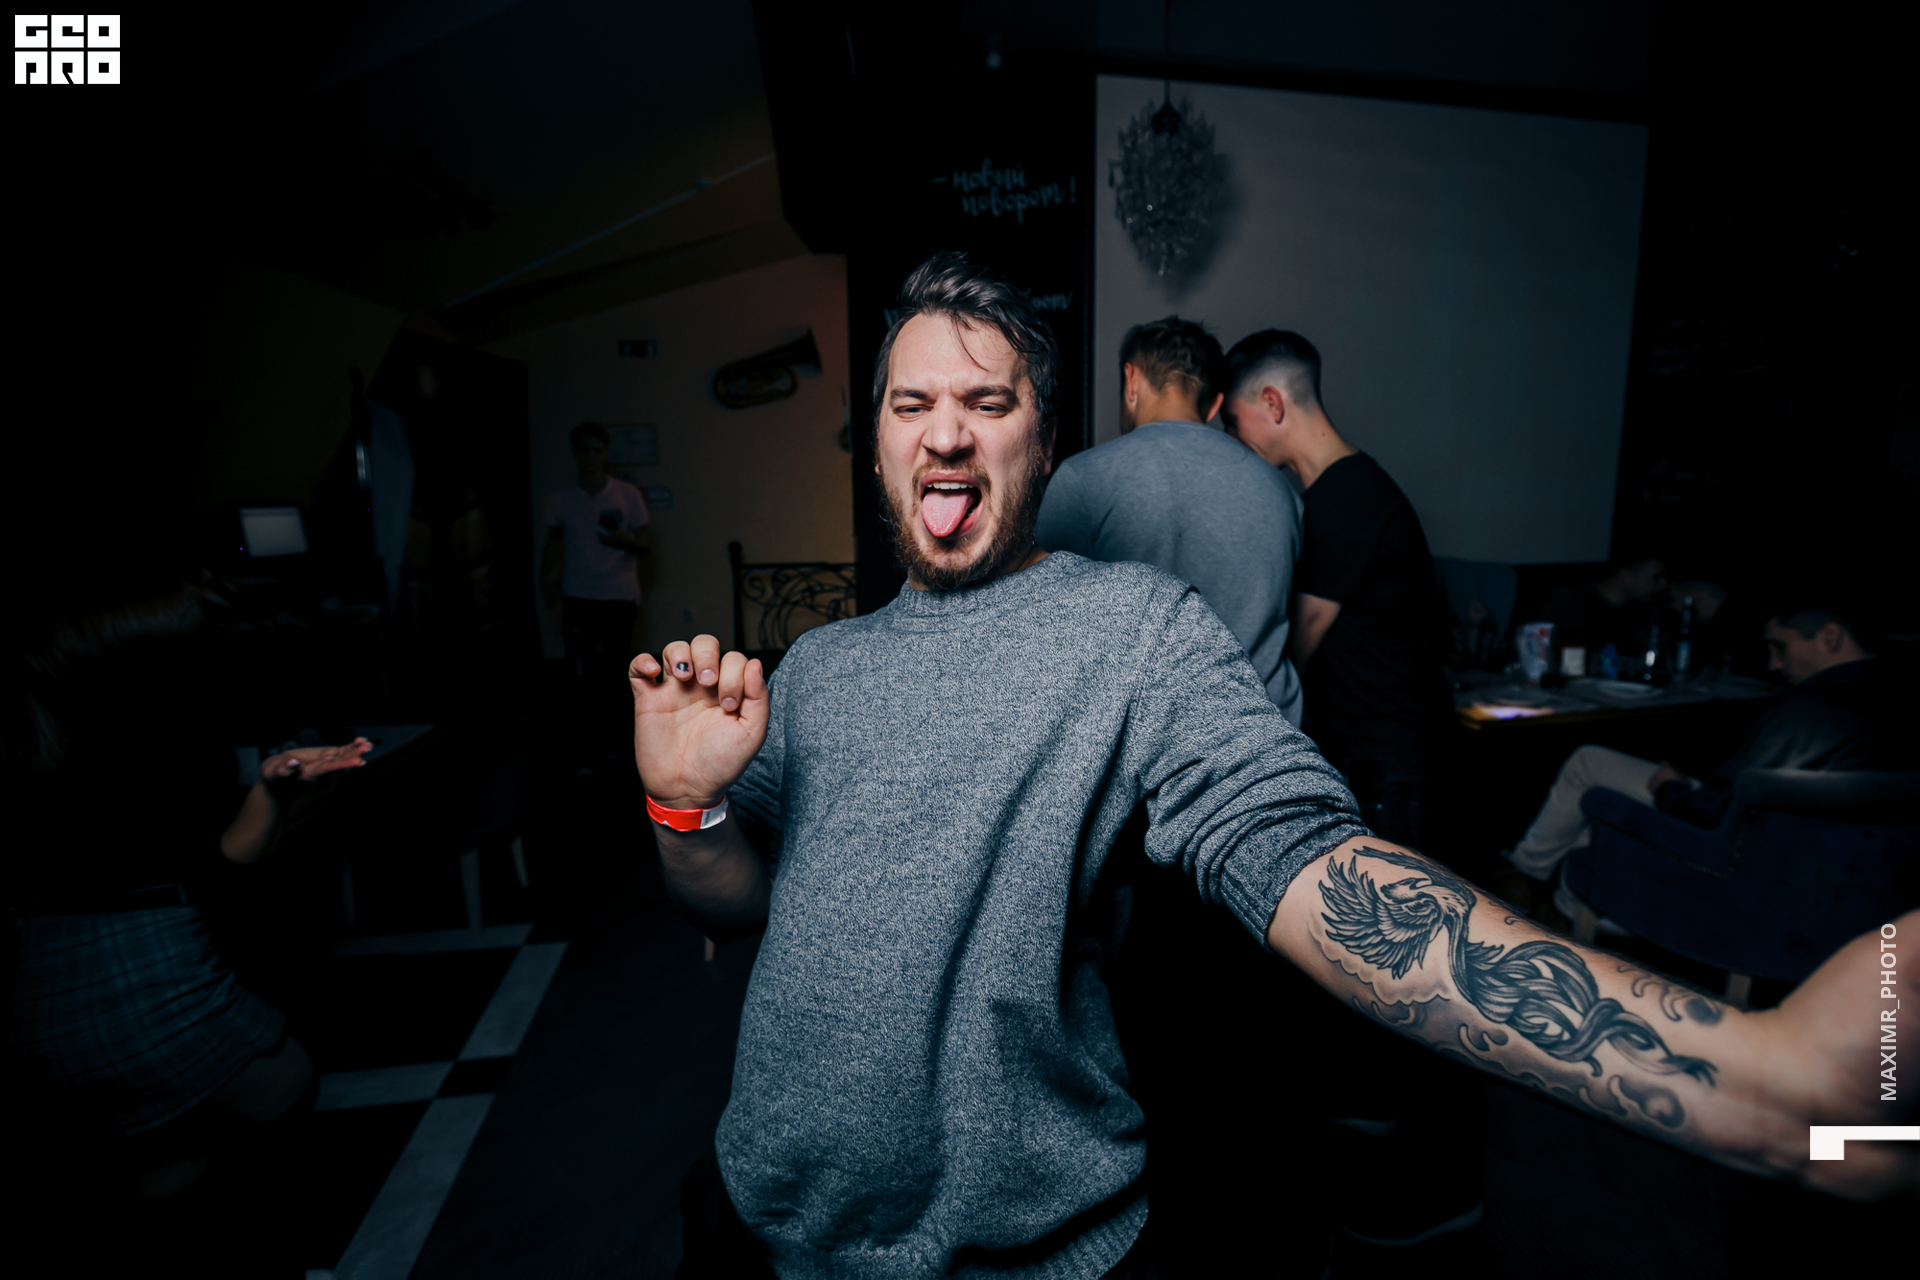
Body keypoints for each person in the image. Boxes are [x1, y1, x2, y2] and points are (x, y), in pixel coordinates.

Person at [634, 254, 1911, 1277]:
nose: (946, 434)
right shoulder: (817, 669)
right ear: (875, 444)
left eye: (989, 401)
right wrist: (684, 805)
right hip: (761, 1224)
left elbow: (1316, 870)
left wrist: (1757, 1084)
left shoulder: (1131, 630)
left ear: (1048, 441)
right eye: (911, 406)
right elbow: (737, 902)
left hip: (1030, 1253)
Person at [6, 569, 370, 1210]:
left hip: (41, 1020)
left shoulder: (56, 736)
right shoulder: (160, 745)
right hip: (141, 1005)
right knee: (288, 1082)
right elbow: (229, 867)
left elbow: (216, 855)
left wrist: (272, 787)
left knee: (163, 1161)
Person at [1507, 599, 1915, 920]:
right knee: (1593, 770)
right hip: (1847, 874)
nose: (1772, 664)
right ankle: (1549, 890)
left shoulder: (1809, 711)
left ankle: (1529, 879)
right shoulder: (1898, 695)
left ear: (1829, 637)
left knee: (1589, 771)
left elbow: (1718, 815)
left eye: (1780, 647)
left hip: (1741, 858)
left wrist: (1671, 790)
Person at [1219, 330, 1451, 848]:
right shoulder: (1343, 489)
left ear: (1272, 403)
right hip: (1379, 751)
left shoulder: (1346, 497)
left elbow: (1295, 652)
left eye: (1233, 420)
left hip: (1386, 757)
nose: (1232, 439)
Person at [1034, 315, 1304, 723]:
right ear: (1215, 405)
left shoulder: (1084, 479)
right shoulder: (1283, 493)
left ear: (1131, 380)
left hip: (1145, 740)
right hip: (1266, 735)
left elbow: (1042, 631)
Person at [542, 421, 652, 675]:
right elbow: (552, 543)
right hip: (578, 593)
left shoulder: (628, 494)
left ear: (605, 453)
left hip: (618, 593)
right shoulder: (560, 499)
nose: (590, 457)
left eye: (597, 450)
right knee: (579, 667)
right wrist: (545, 580)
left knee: (616, 666)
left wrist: (621, 541)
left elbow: (645, 545)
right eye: (584, 450)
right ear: (575, 452)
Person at [1541, 551, 1669, 671]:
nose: (1662, 585)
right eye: (1656, 578)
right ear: (1624, 575)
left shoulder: (1648, 612)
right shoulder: (1571, 603)